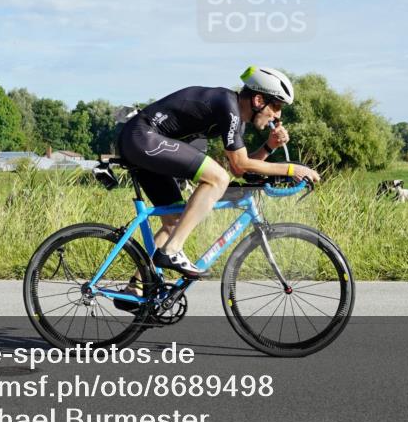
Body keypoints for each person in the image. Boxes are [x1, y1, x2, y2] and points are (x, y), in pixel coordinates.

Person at [116, 66, 321, 284]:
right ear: (259, 100)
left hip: (142, 142)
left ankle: (137, 287)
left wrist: (269, 146)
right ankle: (173, 251)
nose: (278, 115)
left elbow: (239, 169)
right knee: (218, 178)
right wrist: (293, 169)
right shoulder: (227, 104)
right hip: (142, 137)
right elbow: (240, 163)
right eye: (277, 106)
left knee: (174, 222)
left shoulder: (237, 119)